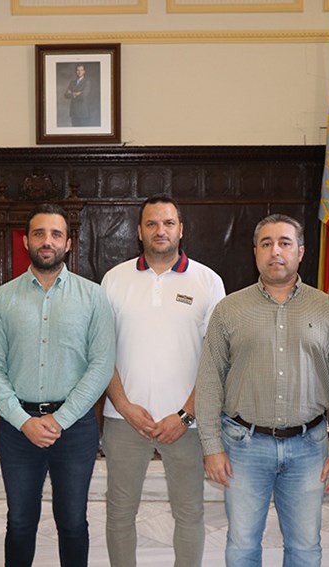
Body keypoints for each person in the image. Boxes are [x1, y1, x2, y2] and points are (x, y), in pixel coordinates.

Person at [195, 213, 329, 567]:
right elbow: (209, 381)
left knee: (305, 547)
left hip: (309, 447)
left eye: (285, 243)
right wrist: (211, 447)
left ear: (301, 251)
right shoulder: (229, 310)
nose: (275, 252)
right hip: (244, 446)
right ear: (255, 252)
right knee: (242, 545)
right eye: (266, 244)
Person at [0, 203, 115, 567]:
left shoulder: (93, 296)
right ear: (25, 241)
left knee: (72, 523)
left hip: (75, 429)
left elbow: (101, 365)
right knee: (20, 522)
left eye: (56, 234)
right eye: (39, 233)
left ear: (68, 243)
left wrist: (61, 419)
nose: (47, 241)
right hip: (17, 428)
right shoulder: (2, 298)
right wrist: (23, 421)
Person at [101, 194, 225, 567]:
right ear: (139, 231)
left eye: (168, 223)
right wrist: (124, 406)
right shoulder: (114, 280)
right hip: (124, 420)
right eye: (152, 223)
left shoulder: (208, 281)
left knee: (189, 513)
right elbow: (101, 352)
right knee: (119, 512)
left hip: (187, 424)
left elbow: (217, 358)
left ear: (180, 229)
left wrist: (186, 414)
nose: (161, 230)